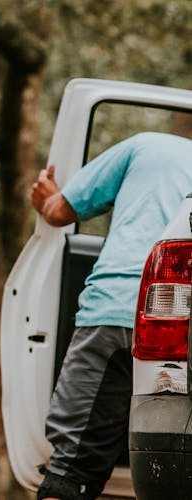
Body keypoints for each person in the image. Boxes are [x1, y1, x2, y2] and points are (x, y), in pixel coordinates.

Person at [30, 131, 192, 500]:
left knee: (71, 469)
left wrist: (45, 197)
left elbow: (59, 211)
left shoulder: (148, 145)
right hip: (183, 330)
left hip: (118, 307)